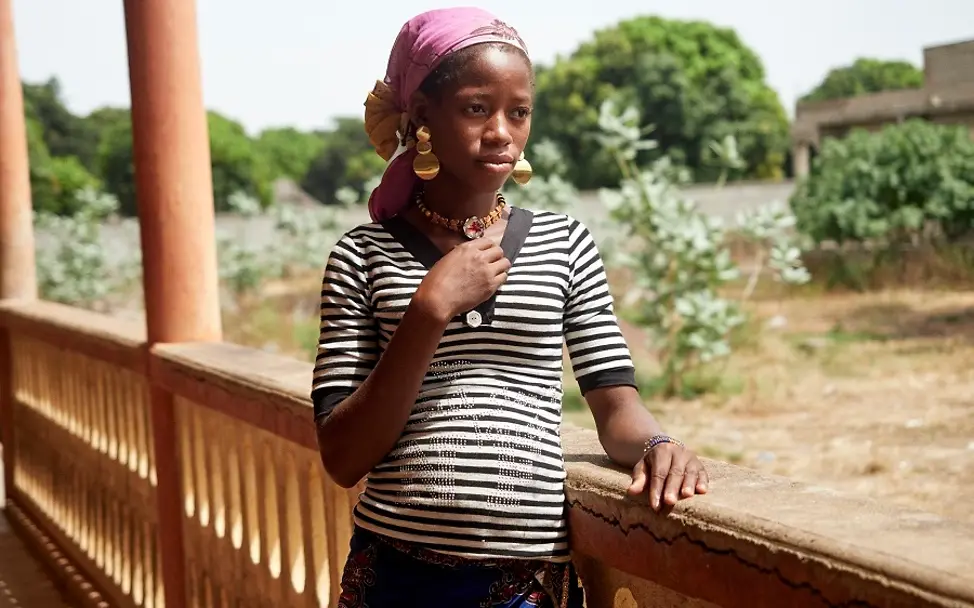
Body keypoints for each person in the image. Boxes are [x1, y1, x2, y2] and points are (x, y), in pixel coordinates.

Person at [311, 7, 709, 607]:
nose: (501, 131)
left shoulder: (564, 244)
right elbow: (342, 457)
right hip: (394, 576)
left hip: (524, 583)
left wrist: (658, 445)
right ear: (422, 117)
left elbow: (616, 406)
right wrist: (429, 309)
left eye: (518, 112)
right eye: (477, 108)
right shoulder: (362, 256)